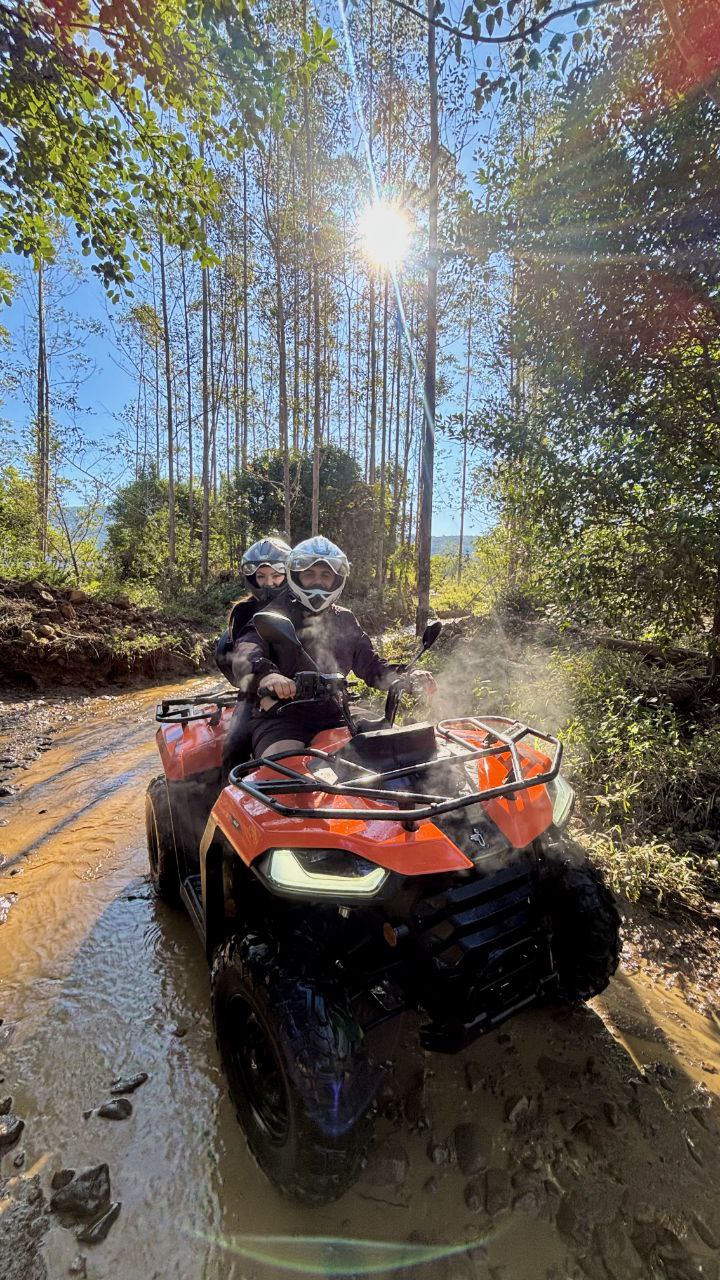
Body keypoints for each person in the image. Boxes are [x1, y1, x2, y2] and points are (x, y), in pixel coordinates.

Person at [232, 535, 437, 760]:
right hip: (282, 716)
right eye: (309, 574)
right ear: (296, 575)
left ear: (336, 579)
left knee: (403, 748)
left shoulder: (345, 619)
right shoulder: (273, 613)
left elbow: (372, 665)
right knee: (283, 770)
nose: (317, 581)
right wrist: (268, 676)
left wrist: (407, 676)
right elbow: (247, 648)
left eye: (325, 575)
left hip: (337, 710)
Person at [215, 536, 291, 686]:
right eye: (261, 576)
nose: (269, 583)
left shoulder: (297, 604)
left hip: (298, 681)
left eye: (276, 575)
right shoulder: (243, 610)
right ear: (252, 578)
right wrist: (263, 676)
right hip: (256, 682)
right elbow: (245, 650)